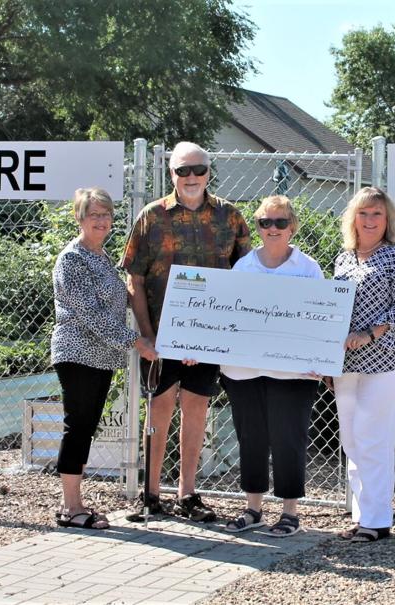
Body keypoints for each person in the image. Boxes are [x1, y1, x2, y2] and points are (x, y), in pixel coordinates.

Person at [122, 142, 251, 522]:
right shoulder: (151, 217)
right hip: (160, 338)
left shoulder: (230, 217)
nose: (191, 177)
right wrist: (148, 338)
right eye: (183, 171)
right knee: (159, 410)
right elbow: (135, 278)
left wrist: (223, 334)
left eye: (198, 169)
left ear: (209, 171)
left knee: (196, 410)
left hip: (208, 339)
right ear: (171, 174)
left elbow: (247, 278)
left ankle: (188, 494)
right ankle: (150, 495)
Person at [51, 187, 158, 530]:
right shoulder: (73, 258)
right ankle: (70, 508)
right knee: (77, 426)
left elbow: (119, 301)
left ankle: (76, 503)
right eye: (94, 214)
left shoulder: (100, 257)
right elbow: (91, 315)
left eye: (106, 215)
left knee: (85, 426)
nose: (101, 221)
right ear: (80, 218)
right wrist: (137, 342)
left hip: (100, 356)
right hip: (78, 352)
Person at [217, 196, 324, 537]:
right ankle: (253, 509)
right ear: (258, 227)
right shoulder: (244, 267)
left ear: (292, 226)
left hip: (294, 373)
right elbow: (227, 318)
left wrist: (319, 360)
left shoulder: (308, 268)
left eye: (280, 222)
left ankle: (290, 513)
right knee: (251, 438)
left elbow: (322, 319)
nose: (273, 229)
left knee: (288, 438)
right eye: (265, 222)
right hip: (243, 371)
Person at [331, 186, 395, 543]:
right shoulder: (344, 259)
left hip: (386, 360)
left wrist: (370, 333)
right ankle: (362, 516)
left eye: (377, 214)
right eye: (364, 213)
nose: (370, 220)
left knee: (374, 438)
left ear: (388, 221)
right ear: (353, 217)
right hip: (347, 363)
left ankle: (378, 521)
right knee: (352, 440)